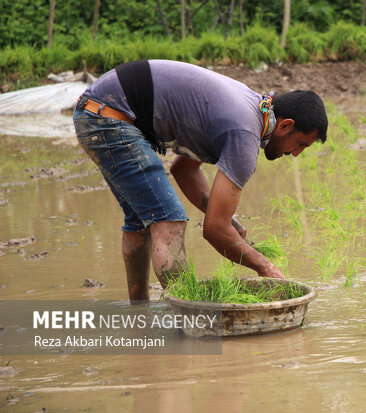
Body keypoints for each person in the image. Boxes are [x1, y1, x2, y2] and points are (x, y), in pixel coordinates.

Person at [73, 59, 328, 301]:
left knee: (141, 221)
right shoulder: (244, 134)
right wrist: (266, 267)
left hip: (97, 108)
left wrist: (223, 217)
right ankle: (191, 316)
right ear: (285, 126)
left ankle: (140, 316)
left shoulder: (251, 107)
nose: (296, 154)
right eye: (301, 144)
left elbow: (184, 169)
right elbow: (215, 229)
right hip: (110, 116)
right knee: (168, 220)